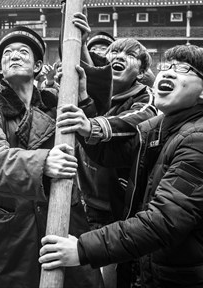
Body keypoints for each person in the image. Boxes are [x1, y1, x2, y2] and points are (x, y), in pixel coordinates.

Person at [40, 44, 203, 288]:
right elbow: (109, 155)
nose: (170, 73)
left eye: (184, 69)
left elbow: (163, 221)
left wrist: (81, 249)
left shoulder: (201, 142)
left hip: (201, 277)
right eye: (168, 66)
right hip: (169, 269)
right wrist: (85, 117)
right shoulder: (158, 129)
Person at [0, 23, 112, 288]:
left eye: (23, 51)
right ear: (0, 69)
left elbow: (93, 142)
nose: (14, 55)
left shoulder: (57, 101)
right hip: (11, 226)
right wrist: (44, 162)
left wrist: (82, 98)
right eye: (7, 53)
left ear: (36, 67)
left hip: (65, 219)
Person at [77, 38, 157, 288]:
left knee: (110, 271)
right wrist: (78, 38)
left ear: (142, 72)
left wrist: (95, 126)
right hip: (82, 198)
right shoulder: (92, 93)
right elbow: (79, 65)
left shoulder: (146, 99)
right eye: (114, 52)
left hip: (116, 205)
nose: (118, 56)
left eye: (128, 54)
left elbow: (138, 119)